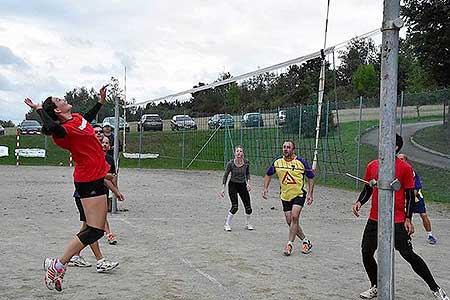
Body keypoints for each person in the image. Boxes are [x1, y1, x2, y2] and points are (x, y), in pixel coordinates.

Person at [25, 85, 112, 292]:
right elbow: (54, 128)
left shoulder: (77, 119)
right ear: (56, 110)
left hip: (95, 177)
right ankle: (58, 264)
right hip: (87, 180)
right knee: (95, 230)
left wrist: (100, 101)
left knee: (95, 230)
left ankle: (58, 264)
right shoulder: (62, 132)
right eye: (59, 100)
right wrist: (39, 109)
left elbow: (87, 118)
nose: (63, 99)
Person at [352, 134, 448, 299]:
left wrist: (408, 219)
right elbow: (368, 189)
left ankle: (435, 288)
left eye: (385, 143)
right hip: (375, 218)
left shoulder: (404, 168)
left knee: (407, 253)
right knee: (366, 252)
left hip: (396, 218)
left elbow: (410, 196)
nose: (381, 145)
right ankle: (375, 285)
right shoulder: (372, 165)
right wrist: (359, 202)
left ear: (395, 147)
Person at [262, 140, 315, 256]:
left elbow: (311, 177)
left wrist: (310, 194)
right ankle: (306, 241)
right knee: (290, 222)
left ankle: (289, 244)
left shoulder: (301, 162)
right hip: (285, 195)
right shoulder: (278, 162)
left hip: (299, 194)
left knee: (295, 217)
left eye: (288, 147)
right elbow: (268, 174)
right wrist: (265, 188)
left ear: (293, 150)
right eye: (284, 147)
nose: (286, 149)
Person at [397, 153, 438, 244]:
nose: (400, 161)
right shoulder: (396, 171)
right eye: (398, 159)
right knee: (407, 217)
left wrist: (407, 201)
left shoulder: (411, 172)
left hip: (416, 198)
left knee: (423, 215)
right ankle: (406, 236)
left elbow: (414, 190)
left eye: (402, 159)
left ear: (406, 161)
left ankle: (430, 235)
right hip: (405, 198)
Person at [219, 145, 253, 231]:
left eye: (241, 151)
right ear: (234, 153)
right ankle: (227, 224)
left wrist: (248, 184)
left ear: (243, 153)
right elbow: (225, 176)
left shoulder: (246, 162)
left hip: (242, 185)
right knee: (235, 207)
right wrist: (223, 188)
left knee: (248, 208)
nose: (239, 153)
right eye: (237, 151)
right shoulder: (230, 164)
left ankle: (248, 223)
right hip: (233, 185)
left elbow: (247, 174)